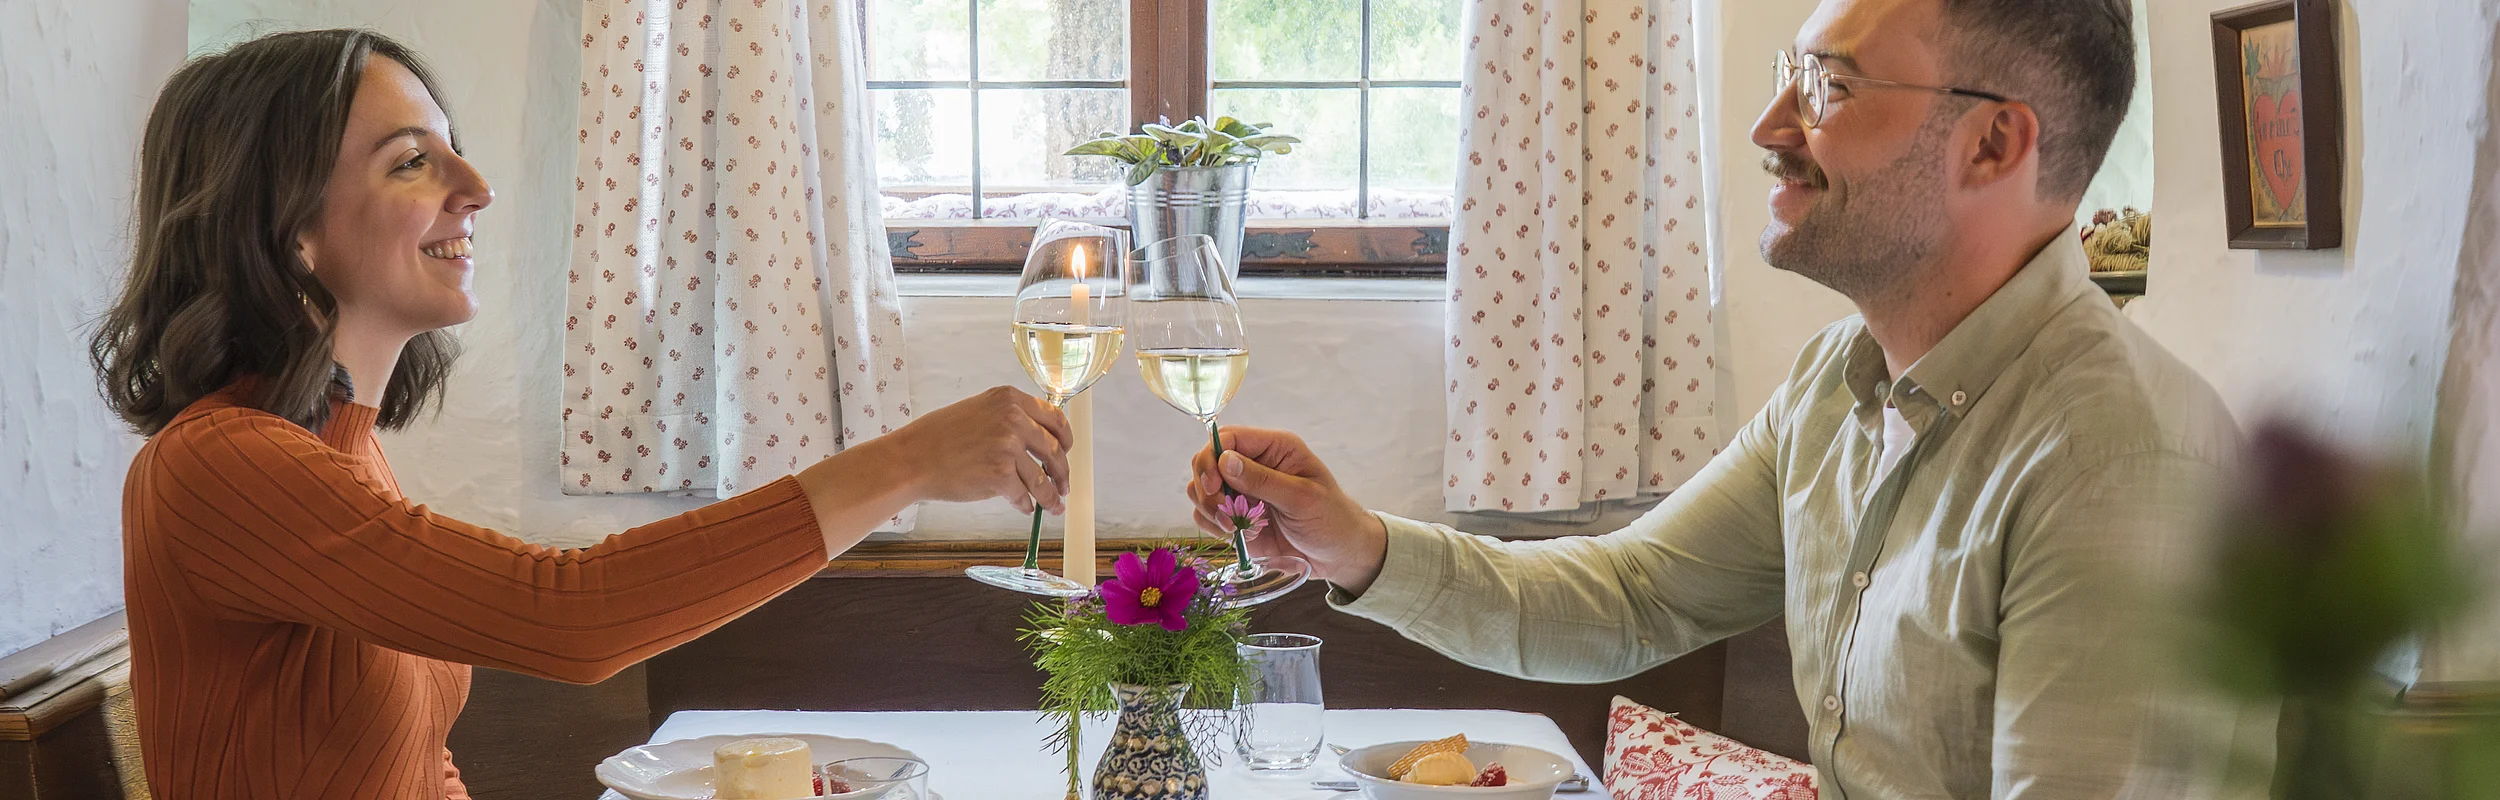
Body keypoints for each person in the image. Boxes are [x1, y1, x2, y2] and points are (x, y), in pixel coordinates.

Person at [1187, 0, 2274, 796]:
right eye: (1786, 73)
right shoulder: (1834, 385)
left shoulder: (2118, 464)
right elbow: (1632, 596)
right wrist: (1358, 546)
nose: (1766, 126)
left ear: (1993, 143)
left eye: (1828, 88)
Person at [91, 30, 1071, 800]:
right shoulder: (222, 466)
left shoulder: (334, 455)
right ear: (290, 228)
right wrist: (903, 462)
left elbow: (416, 767)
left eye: (454, 154)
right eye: (410, 163)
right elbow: (570, 613)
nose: (474, 190)